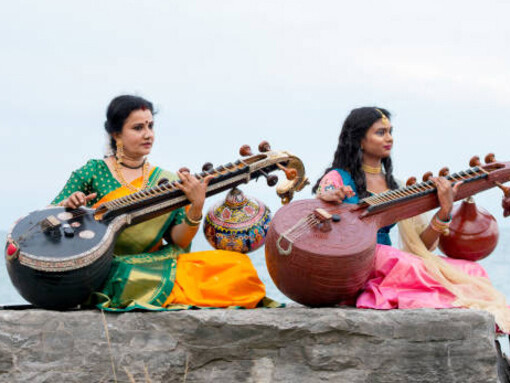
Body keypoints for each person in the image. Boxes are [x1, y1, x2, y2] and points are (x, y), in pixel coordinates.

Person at [52, 95, 276, 311]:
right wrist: (68, 204)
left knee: (237, 266)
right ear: (116, 134)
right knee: (128, 274)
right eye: (138, 128)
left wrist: (196, 206)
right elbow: (47, 219)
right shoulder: (93, 172)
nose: (148, 134)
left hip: (156, 263)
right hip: (109, 268)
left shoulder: (167, 180)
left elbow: (179, 240)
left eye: (150, 126)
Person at [313, 107, 510, 332]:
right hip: (355, 263)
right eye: (380, 132)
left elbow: (421, 246)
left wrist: (444, 210)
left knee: (472, 271)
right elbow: (317, 226)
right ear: (359, 140)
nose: (389, 138)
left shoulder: (396, 185)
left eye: (390, 131)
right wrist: (326, 200)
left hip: (390, 261)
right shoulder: (337, 178)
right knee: (408, 265)